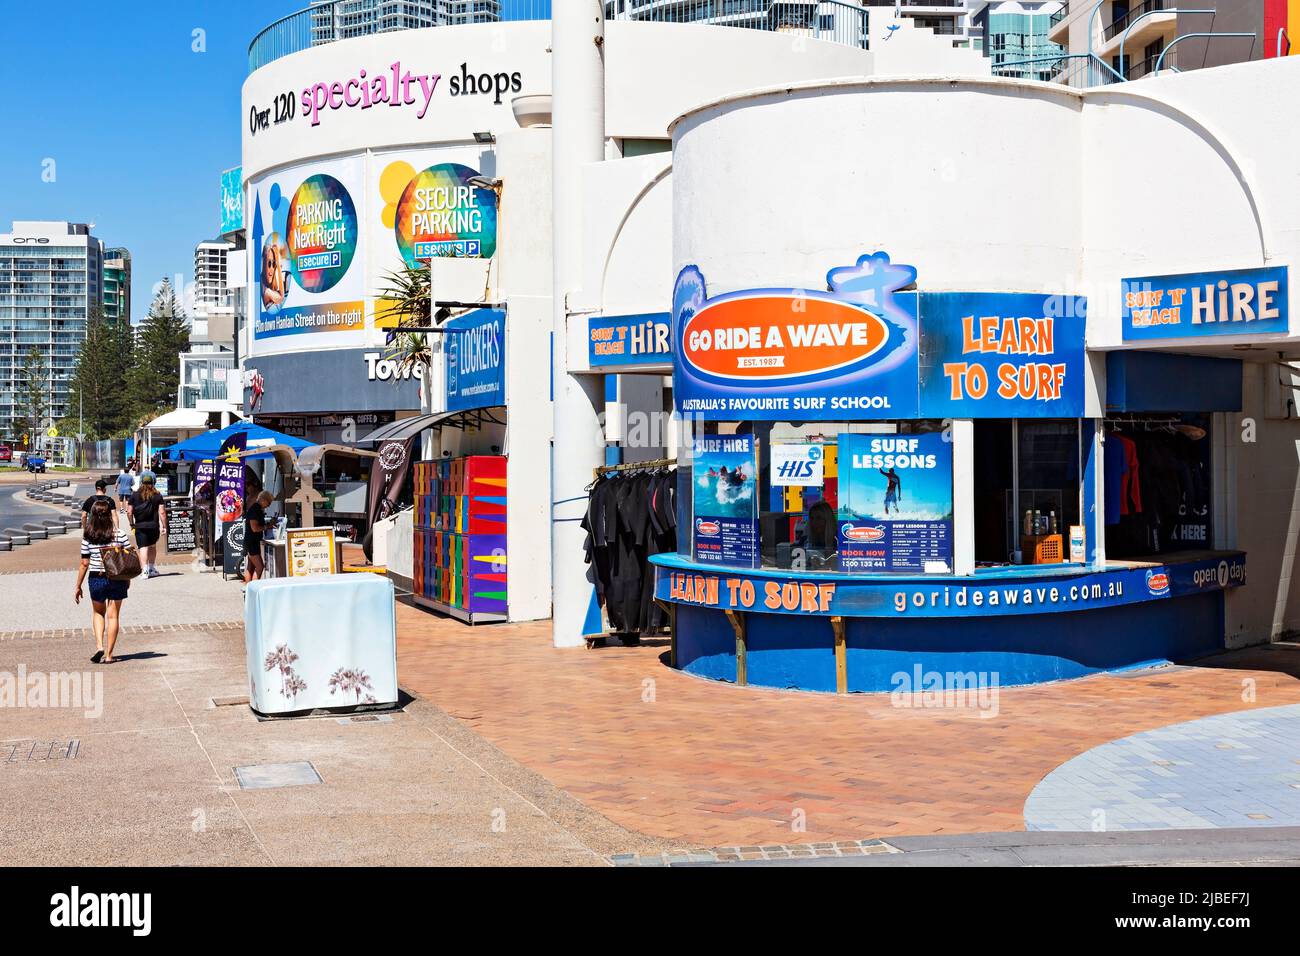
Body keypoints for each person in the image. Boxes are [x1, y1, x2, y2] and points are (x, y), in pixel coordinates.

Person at [75, 499, 131, 664]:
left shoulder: (88, 535)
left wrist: (78, 585)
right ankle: (109, 655)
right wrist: (127, 578)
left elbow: (84, 563)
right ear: (109, 516)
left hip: (96, 577)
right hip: (117, 577)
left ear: (92, 516)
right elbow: (127, 558)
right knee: (113, 617)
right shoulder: (119, 534)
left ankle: (99, 645)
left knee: (98, 613)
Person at [127, 471, 168, 578]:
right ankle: (151, 568)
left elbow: (129, 512)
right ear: (153, 483)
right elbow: (162, 512)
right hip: (153, 526)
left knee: (143, 547)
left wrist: (131, 524)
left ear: (141, 482)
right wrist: (164, 526)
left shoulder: (134, 495)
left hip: (140, 526)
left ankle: (144, 571)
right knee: (152, 546)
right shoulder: (157, 495)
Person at [243, 490, 273, 583]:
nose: (268, 506)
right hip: (252, 541)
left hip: (251, 541)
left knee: (251, 566)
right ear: (263, 500)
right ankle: (253, 588)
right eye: (269, 503)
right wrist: (267, 526)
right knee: (260, 567)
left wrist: (268, 524)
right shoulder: (255, 510)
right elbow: (255, 528)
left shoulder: (257, 509)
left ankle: (248, 589)